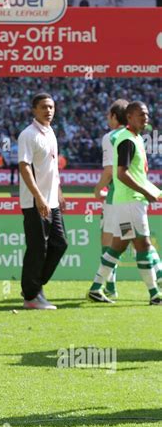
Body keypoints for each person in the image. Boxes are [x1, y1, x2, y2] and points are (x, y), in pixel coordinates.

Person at [88, 101, 161, 305]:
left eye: (146, 114)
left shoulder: (134, 138)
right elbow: (122, 174)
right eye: (140, 114)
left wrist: (153, 191)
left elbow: (137, 174)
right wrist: (146, 191)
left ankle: (96, 287)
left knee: (118, 245)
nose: (145, 118)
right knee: (143, 245)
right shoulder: (127, 140)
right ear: (129, 117)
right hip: (130, 203)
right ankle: (155, 293)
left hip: (126, 202)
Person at [18, 93, 68, 310]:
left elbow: (52, 168)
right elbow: (24, 166)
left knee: (60, 244)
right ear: (34, 110)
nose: (49, 111)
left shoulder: (50, 133)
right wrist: (39, 197)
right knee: (37, 248)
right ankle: (31, 296)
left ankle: (33, 286)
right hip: (34, 202)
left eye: (51, 107)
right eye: (44, 107)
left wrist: (58, 192)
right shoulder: (27, 135)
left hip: (51, 202)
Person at [92, 99, 129, 300]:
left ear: (115, 116)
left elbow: (109, 171)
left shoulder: (111, 137)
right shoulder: (134, 136)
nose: (107, 118)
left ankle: (107, 286)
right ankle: (110, 287)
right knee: (131, 241)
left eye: (109, 115)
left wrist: (98, 189)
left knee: (108, 242)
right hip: (133, 198)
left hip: (115, 198)